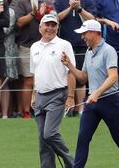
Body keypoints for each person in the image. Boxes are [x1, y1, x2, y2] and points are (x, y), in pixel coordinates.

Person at [61, 19, 119, 168]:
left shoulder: (108, 50)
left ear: (94, 33)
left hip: (110, 100)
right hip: (92, 101)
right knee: (83, 138)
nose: (82, 37)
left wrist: (97, 93)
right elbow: (83, 77)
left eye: (85, 33)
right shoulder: (88, 52)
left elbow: (113, 77)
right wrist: (69, 65)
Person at [30, 13, 75, 168]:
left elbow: (71, 71)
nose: (50, 28)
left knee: (49, 133)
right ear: (40, 27)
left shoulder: (64, 44)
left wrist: (70, 96)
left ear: (57, 27)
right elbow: (35, 72)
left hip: (58, 94)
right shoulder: (34, 47)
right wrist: (34, 94)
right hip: (40, 95)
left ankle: (73, 164)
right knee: (43, 141)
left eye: (53, 25)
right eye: (47, 25)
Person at [55, 0, 96, 116]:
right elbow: (56, 18)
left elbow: (92, 19)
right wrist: (69, 8)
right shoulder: (60, 0)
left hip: (82, 44)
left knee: (81, 76)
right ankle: (67, 107)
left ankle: (80, 109)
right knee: (66, 75)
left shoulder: (86, 0)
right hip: (64, 44)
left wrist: (79, 9)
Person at [15, 0, 52, 118]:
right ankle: (26, 112)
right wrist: (33, 13)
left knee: (42, 80)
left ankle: (42, 110)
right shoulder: (21, 2)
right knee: (28, 80)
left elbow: (51, 23)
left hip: (44, 46)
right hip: (26, 46)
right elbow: (19, 23)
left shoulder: (46, 3)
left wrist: (44, 13)